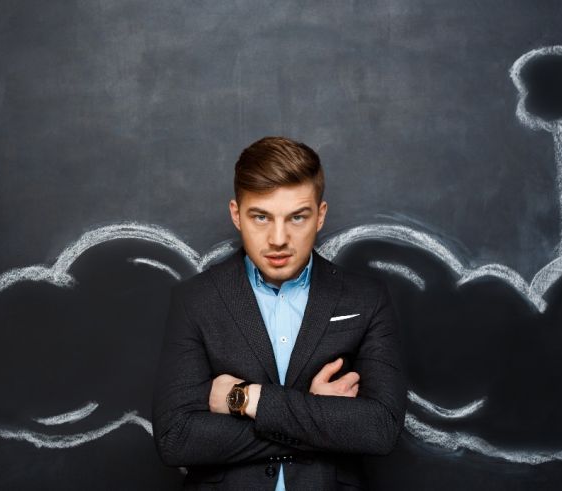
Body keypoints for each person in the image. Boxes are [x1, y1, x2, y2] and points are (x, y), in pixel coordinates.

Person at [152, 136, 407, 490]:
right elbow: (176, 438)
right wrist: (317, 415)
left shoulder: (366, 299)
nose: (278, 238)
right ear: (236, 214)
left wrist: (246, 399)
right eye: (261, 217)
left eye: (297, 218)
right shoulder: (195, 300)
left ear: (320, 216)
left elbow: (380, 428)